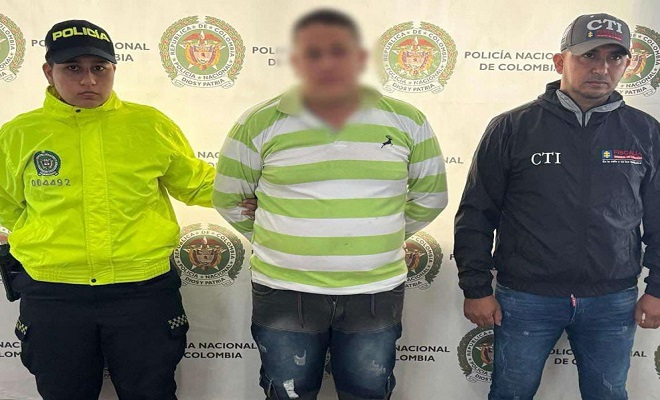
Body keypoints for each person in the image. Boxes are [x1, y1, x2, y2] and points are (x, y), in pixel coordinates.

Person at [0, 20, 256, 400]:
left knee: (151, 392)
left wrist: (259, 191)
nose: (89, 80)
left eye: (99, 68)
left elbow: (196, 182)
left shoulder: (148, 125)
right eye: (73, 68)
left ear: (113, 70)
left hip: (142, 293)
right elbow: (7, 205)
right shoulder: (19, 134)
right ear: (48, 72)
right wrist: (46, 237)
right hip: (54, 295)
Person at [213, 9, 447, 400]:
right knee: (288, 393)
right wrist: (280, 235)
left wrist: (379, 233)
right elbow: (228, 198)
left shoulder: (408, 121)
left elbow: (430, 197)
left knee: (367, 392)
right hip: (284, 288)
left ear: (359, 57)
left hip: (374, 290)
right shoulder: (259, 122)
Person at [454, 13, 660, 400]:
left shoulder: (645, 132)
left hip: (612, 299)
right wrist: (476, 287)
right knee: (511, 393)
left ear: (627, 65)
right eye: (588, 55)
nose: (601, 68)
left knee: (608, 394)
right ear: (560, 61)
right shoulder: (512, 127)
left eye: (614, 57)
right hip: (525, 297)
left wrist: (658, 289)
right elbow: (476, 213)